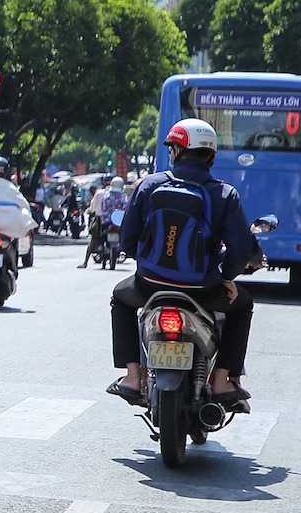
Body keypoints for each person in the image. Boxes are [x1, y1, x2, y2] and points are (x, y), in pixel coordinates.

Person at [106, 119, 257, 408]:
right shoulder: (225, 194)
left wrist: (152, 262)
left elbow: (127, 241)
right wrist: (226, 277)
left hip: (149, 285)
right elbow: (240, 250)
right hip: (204, 287)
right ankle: (223, 379)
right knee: (242, 307)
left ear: (175, 151)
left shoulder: (149, 185)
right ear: (210, 155)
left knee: (120, 300)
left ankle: (133, 376)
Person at [79, 176, 129, 268]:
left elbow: (99, 208)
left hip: (103, 221)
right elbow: (126, 209)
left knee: (94, 240)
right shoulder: (123, 196)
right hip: (118, 222)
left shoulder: (105, 195)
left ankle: (85, 262)